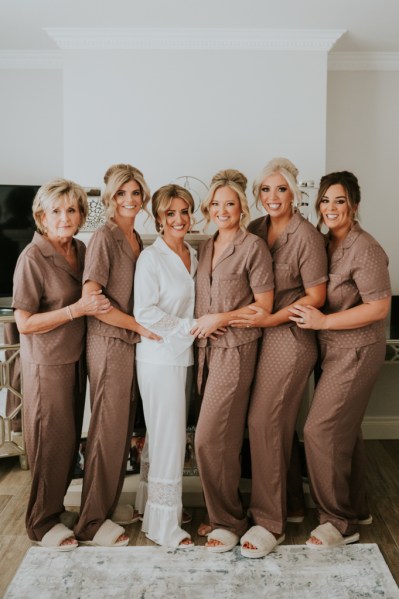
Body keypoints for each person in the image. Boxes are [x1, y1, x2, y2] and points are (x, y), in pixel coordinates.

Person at [230, 157, 328, 558]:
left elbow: (316, 296)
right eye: (265, 190)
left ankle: (269, 522)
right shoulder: (254, 229)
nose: (272, 197)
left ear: (295, 192)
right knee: (277, 424)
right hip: (260, 336)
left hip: (291, 337)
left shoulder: (306, 237)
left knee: (264, 419)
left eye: (281, 189)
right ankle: (290, 505)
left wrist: (270, 317)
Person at [289, 171, 391, 548]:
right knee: (347, 432)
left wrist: (325, 320)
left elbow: (379, 307)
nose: (331, 208)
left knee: (319, 430)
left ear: (355, 206)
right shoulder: (326, 242)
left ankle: (339, 522)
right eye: (326, 201)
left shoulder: (364, 248)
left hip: (357, 350)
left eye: (340, 201)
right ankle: (357, 506)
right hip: (333, 351)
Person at [12, 178, 111, 550]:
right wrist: (75, 310)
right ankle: (40, 522)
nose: (65, 217)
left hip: (75, 359)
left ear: (83, 214)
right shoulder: (32, 258)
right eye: (56, 211)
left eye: (72, 210)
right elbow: (24, 322)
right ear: (41, 216)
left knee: (68, 441)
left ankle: (54, 509)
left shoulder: (82, 249)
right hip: (46, 363)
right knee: (48, 441)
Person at [74, 164, 159, 547]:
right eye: (122, 193)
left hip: (128, 343)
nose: (129, 199)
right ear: (109, 197)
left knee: (121, 430)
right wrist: (139, 327)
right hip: (108, 343)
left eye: (135, 192)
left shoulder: (136, 235)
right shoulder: (104, 237)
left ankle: (107, 506)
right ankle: (91, 521)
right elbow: (93, 299)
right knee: (107, 431)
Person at [192, 169, 274, 553]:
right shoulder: (206, 246)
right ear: (208, 209)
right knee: (220, 440)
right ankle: (225, 513)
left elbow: (264, 306)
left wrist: (221, 319)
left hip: (237, 350)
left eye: (231, 203)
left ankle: (228, 521)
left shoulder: (253, 247)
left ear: (243, 207)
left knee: (210, 439)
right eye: (217, 204)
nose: (223, 210)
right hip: (205, 353)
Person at [133, 184, 198, 548]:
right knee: (169, 436)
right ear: (158, 218)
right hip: (158, 359)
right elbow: (144, 312)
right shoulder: (150, 259)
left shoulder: (193, 253)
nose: (178, 219)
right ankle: (164, 526)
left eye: (184, 211)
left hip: (182, 356)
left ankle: (152, 505)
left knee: (162, 435)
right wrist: (189, 327)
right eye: (170, 213)